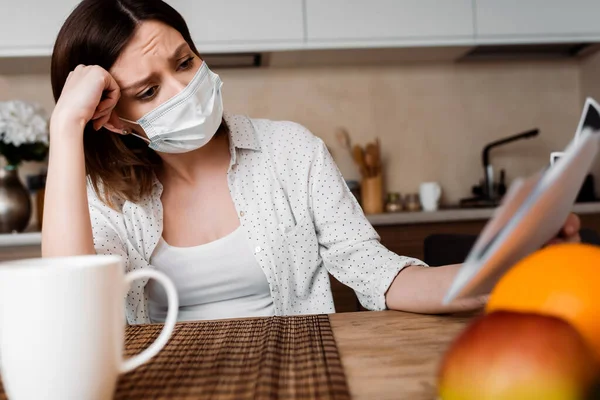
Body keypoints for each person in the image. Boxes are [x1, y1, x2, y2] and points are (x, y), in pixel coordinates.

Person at [43, 0, 581, 325]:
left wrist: (503, 271)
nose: (184, 89)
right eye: (149, 89)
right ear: (113, 117)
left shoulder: (291, 152)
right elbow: (70, 308)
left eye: (185, 62)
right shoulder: (103, 195)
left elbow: (380, 275)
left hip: (298, 377)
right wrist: (66, 128)